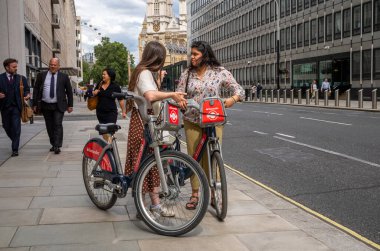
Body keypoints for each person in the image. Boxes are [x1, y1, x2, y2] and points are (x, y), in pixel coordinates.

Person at [176, 41, 244, 210]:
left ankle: (214, 194)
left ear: (204, 56)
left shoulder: (219, 72)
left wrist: (232, 99)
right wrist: (181, 101)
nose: (191, 57)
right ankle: (195, 194)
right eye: (191, 54)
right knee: (194, 157)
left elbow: (239, 90)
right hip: (192, 119)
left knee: (214, 156)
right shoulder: (187, 74)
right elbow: (178, 95)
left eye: (195, 54)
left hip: (214, 119)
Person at [124, 41, 186, 218]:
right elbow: (150, 96)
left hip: (146, 122)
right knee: (143, 163)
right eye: (161, 59)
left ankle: (154, 205)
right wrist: (172, 94)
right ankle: (143, 206)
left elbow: (151, 91)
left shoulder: (144, 72)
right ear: (155, 58)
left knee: (151, 164)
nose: (161, 64)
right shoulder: (143, 72)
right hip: (143, 123)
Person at [33, 58, 73, 154]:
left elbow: (69, 91)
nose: (52, 66)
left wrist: (70, 105)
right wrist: (34, 104)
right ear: (49, 65)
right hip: (45, 105)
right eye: (51, 64)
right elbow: (36, 89)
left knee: (57, 124)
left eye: (55, 65)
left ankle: (57, 145)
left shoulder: (64, 77)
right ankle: (53, 143)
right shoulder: (41, 75)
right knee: (49, 125)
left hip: (59, 105)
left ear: (59, 66)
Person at [0, 58, 30, 156]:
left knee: (16, 128)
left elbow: (26, 90)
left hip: (17, 107)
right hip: (4, 107)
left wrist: (27, 95)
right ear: (7, 67)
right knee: (6, 126)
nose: (16, 68)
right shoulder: (0, 78)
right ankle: (15, 139)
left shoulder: (21, 78)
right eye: (13, 67)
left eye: (16, 66)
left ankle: (15, 149)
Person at [92, 68, 126, 142]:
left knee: (110, 131)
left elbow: (121, 100)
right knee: (104, 132)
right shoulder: (99, 84)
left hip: (111, 112)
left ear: (110, 76)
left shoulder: (115, 86)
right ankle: (109, 145)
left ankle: (110, 147)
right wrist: (95, 92)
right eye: (102, 74)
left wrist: (123, 111)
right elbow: (94, 93)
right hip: (100, 112)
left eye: (104, 74)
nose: (102, 75)